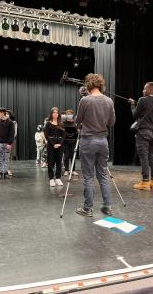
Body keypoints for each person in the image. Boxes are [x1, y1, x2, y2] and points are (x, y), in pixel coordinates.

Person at [75, 73, 115, 217]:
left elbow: (77, 120)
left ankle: (88, 209)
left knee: (88, 177)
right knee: (103, 175)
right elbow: (112, 123)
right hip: (103, 142)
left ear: (88, 85)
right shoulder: (109, 101)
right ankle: (107, 206)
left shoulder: (85, 100)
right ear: (101, 84)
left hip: (88, 141)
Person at [129, 82, 153, 190]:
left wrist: (132, 105)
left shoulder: (142, 100)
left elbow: (135, 115)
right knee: (152, 157)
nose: (143, 91)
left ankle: (145, 182)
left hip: (143, 132)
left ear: (150, 89)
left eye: (144, 89)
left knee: (144, 157)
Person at [44, 107, 65, 187]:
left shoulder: (61, 124)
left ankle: (58, 178)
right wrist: (53, 144)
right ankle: (51, 179)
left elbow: (64, 135)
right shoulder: (48, 123)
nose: (55, 114)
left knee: (59, 162)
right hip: (51, 145)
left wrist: (60, 143)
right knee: (51, 162)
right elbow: (47, 135)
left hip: (60, 145)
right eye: (54, 112)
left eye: (57, 112)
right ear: (51, 114)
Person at [0, 107, 15, 179]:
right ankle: (0, 172)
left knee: (6, 159)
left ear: (3, 113)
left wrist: (10, 143)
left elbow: (12, 134)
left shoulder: (10, 122)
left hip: (7, 143)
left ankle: (5, 173)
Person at [62, 109, 78, 176]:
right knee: (66, 156)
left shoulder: (74, 122)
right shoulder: (63, 122)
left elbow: (77, 131)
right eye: (68, 114)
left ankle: (73, 170)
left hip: (73, 141)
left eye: (70, 114)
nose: (69, 115)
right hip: (65, 142)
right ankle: (66, 170)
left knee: (73, 156)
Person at [6, 110, 18, 176]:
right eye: (6, 114)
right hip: (3, 140)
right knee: (3, 155)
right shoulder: (2, 121)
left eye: (8, 114)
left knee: (9, 156)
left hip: (11, 140)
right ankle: (2, 169)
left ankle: (8, 169)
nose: (7, 115)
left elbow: (15, 133)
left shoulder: (14, 122)